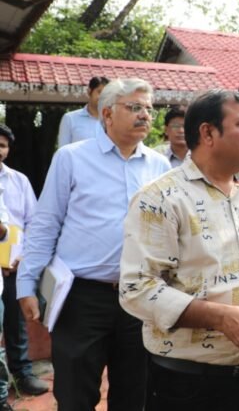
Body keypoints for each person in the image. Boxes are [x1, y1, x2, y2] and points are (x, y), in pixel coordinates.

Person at [119, 89, 239, 411]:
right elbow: (137, 288)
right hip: (191, 384)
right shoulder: (160, 198)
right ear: (208, 133)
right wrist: (222, 317)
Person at [18, 78, 170, 411]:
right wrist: (27, 283)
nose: (145, 115)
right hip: (81, 298)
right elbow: (46, 223)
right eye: (134, 107)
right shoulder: (72, 158)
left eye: (149, 108)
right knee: (75, 394)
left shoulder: (159, 166)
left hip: (140, 296)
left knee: (135, 393)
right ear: (107, 114)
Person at [0, 125, 49, 404]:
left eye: (3, 145)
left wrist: (24, 256)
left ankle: (23, 374)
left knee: (16, 323)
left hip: (15, 265)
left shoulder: (19, 181)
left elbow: (34, 222)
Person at [57, 76, 110, 146]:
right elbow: (63, 151)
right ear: (89, 92)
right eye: (99, 92)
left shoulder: (112, 121)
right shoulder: (70, 119)